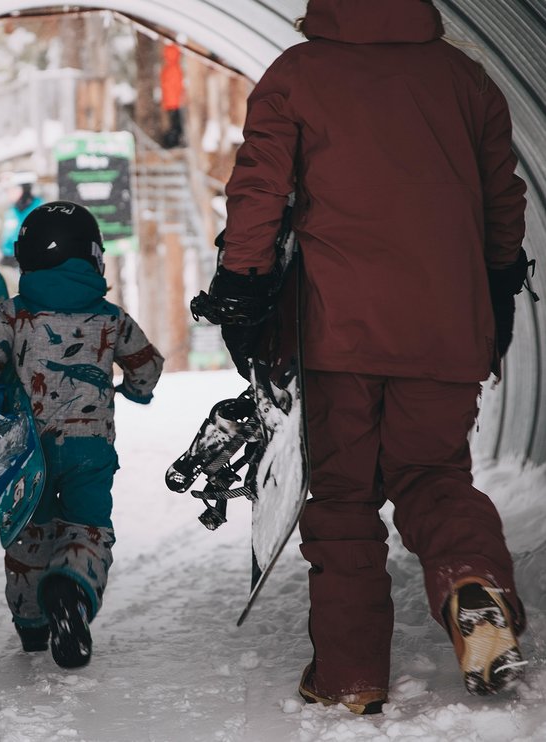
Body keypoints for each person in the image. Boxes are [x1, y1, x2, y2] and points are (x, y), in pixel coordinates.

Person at [211, 0, 536, 714]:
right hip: (446, 328)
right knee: (433, 475)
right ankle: (471, 584)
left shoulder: (297, 75)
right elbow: (503, 203)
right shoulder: (467, 79)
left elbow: (259, 191)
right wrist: (495, 288)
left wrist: (241, 287)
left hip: (336, 334)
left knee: (344, 497)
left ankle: (350, 676)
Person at [0, 201, 163, 668]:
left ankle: (32, 624)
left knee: (28, 529)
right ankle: (72, 586)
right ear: (93, 256)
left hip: (24, 447)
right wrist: (134, 389)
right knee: (87, 526)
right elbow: (148, 367)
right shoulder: (111, 317)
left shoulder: (9, 314)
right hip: (89, 451)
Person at [0, 173, 44, 266]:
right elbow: (8, 236)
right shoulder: (11, 211)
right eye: (8, 190)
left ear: (24, 189)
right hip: (16, 263)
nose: (9, 193)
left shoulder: (41, 209)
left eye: (13, 189)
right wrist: (8, 254)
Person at [160, 42, 185, 149]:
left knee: (175, 126)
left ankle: (172, 143)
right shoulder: (174, 68)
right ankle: (172, 144)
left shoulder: (167, 68)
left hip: (171, 102)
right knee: (176, 127)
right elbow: (175, 87)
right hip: (175, 103)